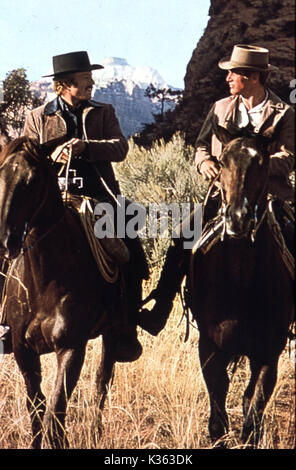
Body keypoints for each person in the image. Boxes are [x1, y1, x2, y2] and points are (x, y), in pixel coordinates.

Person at [0, 51, 148, 361]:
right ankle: (5, 323)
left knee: (129, 246)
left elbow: (120, 147)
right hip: (50, 197)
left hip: (98, 196)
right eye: (86, 81)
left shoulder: (103, 112)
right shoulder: (38, 117)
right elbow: (27, 156)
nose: (91, 85)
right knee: (7, 244)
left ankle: (126, 325)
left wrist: (86, 147)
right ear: (66, 85)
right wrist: (51, 157)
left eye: (90, 81)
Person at [139, 44, 295, 336]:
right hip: (222, 195)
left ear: (252, 77)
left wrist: (254, 168)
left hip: (269, 196)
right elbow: (200, 146)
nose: (228, 78)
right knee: (182, 237)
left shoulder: (284, 112)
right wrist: (205, 164)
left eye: (233, 73)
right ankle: (160, 309)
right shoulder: (220, 108)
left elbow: (288, 157)